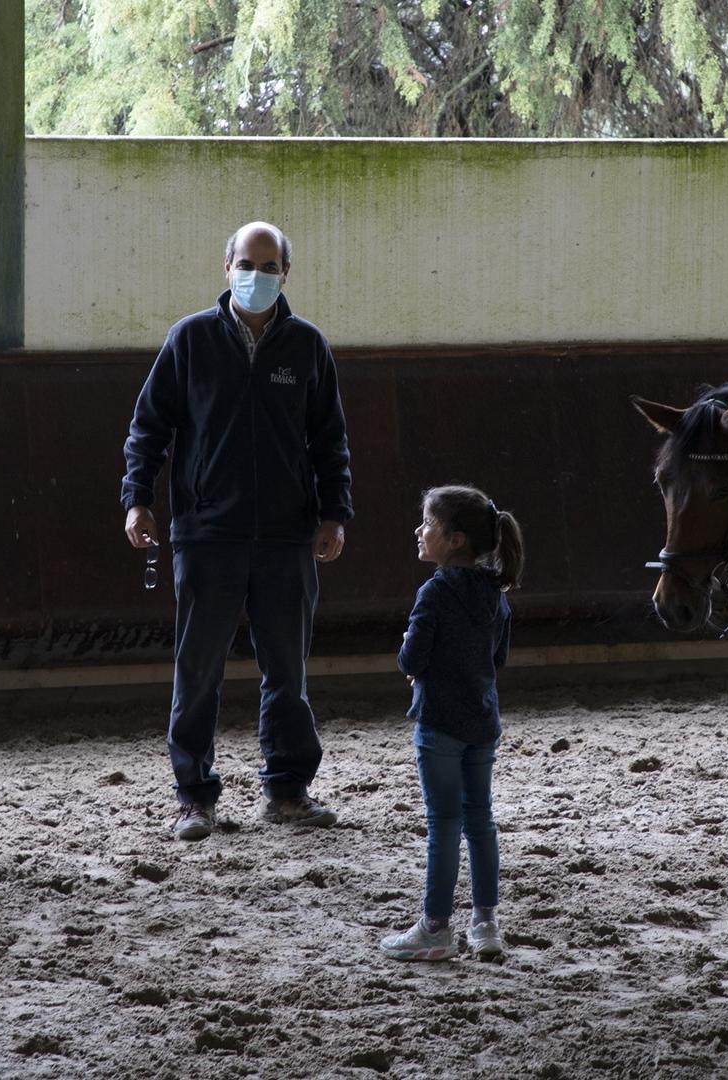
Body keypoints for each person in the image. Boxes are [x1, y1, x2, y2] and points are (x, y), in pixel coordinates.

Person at [121, 221, 353, 842]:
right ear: (226, 269)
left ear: (286, 274)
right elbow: (149, 428)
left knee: (287, 670)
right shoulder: (189, 340)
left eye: (270, 265)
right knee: (198, 668)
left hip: (287, 536)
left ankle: (287, 790)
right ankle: (194, 796)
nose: (258, 275)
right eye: (247, 264)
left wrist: (335, 513)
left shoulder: (307, 346)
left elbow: (330, 440)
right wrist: (137, 500)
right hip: (206, 534)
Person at [380, 485, 522, 962]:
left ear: (456, 539)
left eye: (429, 525)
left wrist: (410, 649)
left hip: (439, 722)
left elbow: (411, 658)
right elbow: (496, 657)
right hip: (482, 721)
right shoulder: (494, 594)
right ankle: (485, 923)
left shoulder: (435, 591)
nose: (420, 531)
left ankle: (436, 927)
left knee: (443, 823)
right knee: (480, 821)